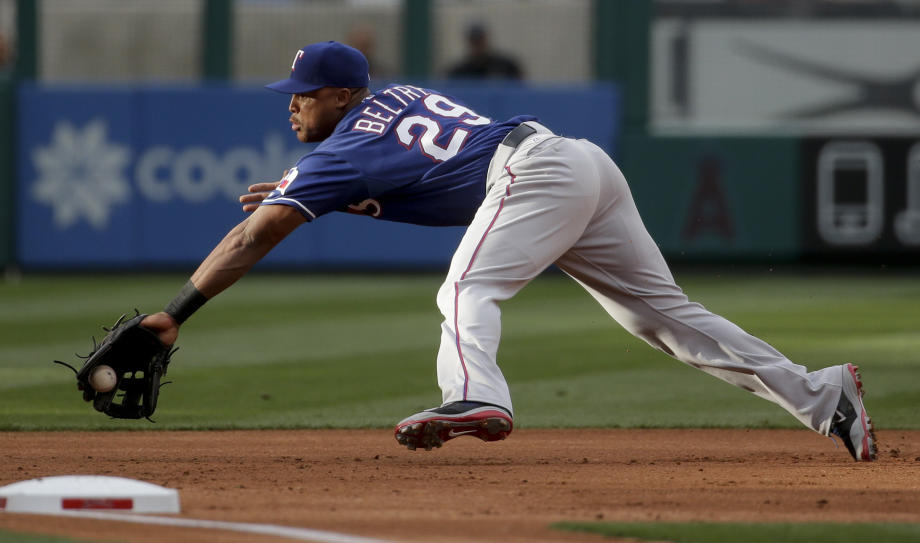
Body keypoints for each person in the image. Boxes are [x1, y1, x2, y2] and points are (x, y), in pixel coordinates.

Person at [139, 41, 876, 461]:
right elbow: (400, 169)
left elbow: (252, 235)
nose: (293, 102)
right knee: (669, 321)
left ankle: (479, 395)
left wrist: (176, 313)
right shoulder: (390, 102)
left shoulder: (339, 152)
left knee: (463, 291)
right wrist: (316, 184)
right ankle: (823, 395)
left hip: (535, 176)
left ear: (340, 97)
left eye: (305, 92)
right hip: (576, 164)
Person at [446, 23, 523, 80]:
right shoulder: (458, 72)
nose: (477, 45)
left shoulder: (506, 66)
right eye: (474, 42)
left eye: (480, 41)